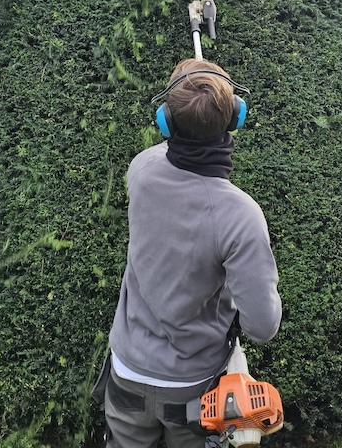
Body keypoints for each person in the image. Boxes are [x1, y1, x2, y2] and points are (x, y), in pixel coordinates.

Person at [100, 58, 282, 448]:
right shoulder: (241, 216)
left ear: (166, 120)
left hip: (125, 374)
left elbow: (169, 157)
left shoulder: (141, 169)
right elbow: (262, 327)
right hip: (193, 393)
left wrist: (192, 90)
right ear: (236, 118)